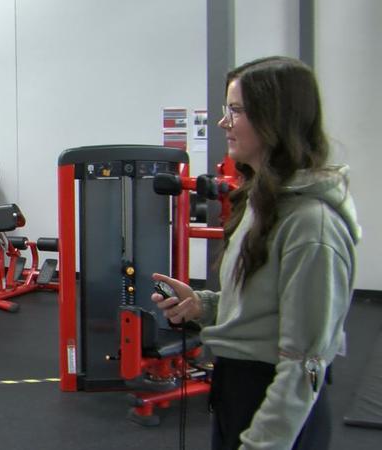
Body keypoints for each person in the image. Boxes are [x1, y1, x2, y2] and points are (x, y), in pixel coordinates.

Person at [151, 56, 360, 450]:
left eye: (236, 110)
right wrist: (204, 305)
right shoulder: (263, 202)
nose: (223, 122)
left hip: (275, 404)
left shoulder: (311, 225)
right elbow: (261, 308)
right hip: (237, 389)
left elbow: (303, 364)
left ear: (274, 119)